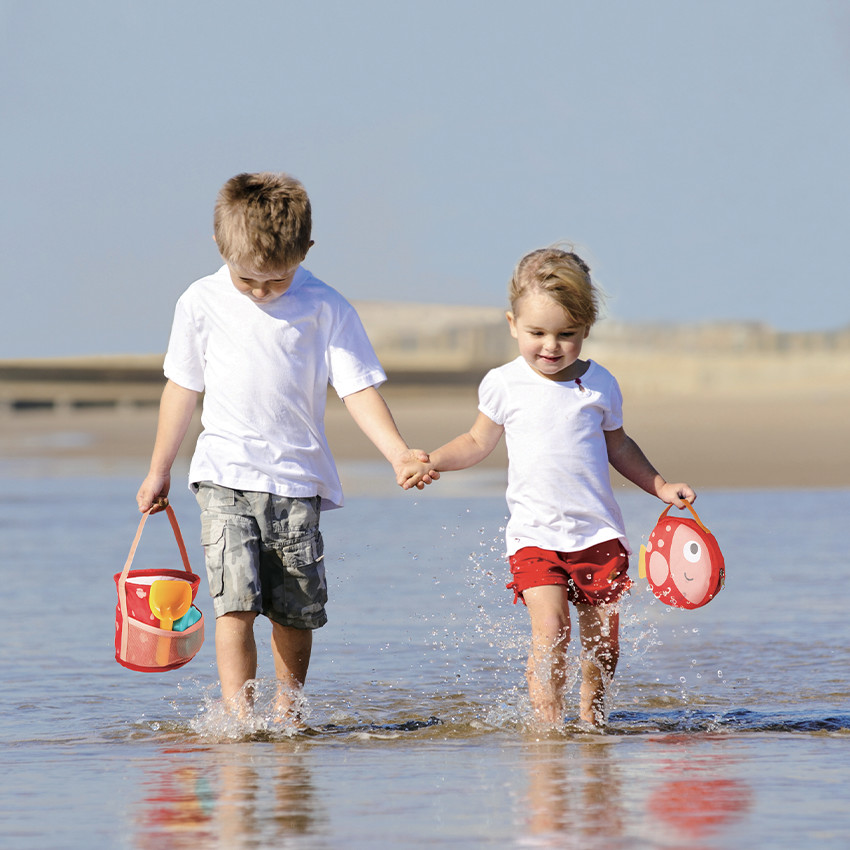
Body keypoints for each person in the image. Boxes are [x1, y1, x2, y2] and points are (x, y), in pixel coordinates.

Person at [136, 171, 434, 716]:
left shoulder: (325, 306)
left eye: (275, 281)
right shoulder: (200, 301)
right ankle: (238, 716)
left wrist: (397, 451)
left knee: (295, 610)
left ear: (306, 252)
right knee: (234, 603)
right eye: (247, 279)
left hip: (296, 483)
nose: (260, 292)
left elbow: (358, 388)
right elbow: (182, 388)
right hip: (222, 474)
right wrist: (159, 469)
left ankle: (287, 710)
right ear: (220, 247)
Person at [418, 247, 695, 727]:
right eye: (537, 333)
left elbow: (620, 447)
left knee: (603, 641)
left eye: (566, 334)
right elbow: (476, 441)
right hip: (535, 536)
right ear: (512, 324)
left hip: (598, 535)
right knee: (550, 630)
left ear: (586, 328)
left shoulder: (600, 384)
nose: (551, 345)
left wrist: (661, 486)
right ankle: (547, 727)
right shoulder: (503, 384)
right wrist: (433, 461)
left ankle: (592, 715)